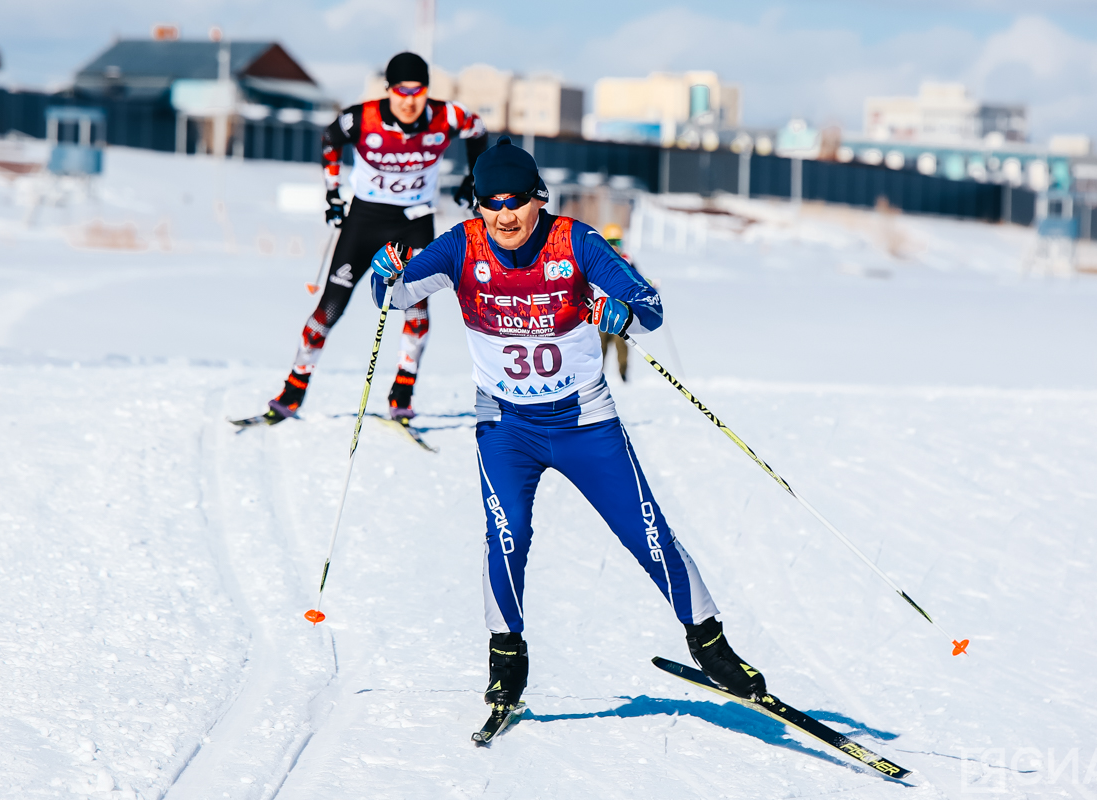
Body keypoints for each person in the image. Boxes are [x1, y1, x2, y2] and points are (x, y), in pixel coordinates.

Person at [368, 137, 767, 718]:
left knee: (647, 534)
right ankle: (506, 663)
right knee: (507, 537)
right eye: (491, 202)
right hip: (505, 427)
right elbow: (396, 297)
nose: (505, 215)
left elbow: (650, 305)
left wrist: (621, 313)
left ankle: (710, 643)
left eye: (517, 201)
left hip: (585, 422)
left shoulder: (574, 240)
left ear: (538, 197)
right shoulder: (460, 246)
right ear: (477, 203)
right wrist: (384, 271)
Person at [257, 52, 487, 424]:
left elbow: (478, 132)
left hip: (414, 223)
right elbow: (330, 139)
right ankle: (294, 390)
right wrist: (332, 194)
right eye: (401, 91)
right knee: (328, 310)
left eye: (418, 91)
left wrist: (472, 178)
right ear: (389, 90)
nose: (409, 100)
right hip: (365, 220)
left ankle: (402, 393)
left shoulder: (448, 117)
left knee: (416, 309)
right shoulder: (362, 118)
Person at [598, 223, 632, 382]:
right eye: (611, 243)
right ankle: (596, 376)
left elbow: (638, 283)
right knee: (599, 347)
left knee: (622, 346)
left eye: (617, 243)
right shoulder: (599, 260)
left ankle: (623, 375)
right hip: (603, 313)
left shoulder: (627, 262)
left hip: (621, 313)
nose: (614, 247)